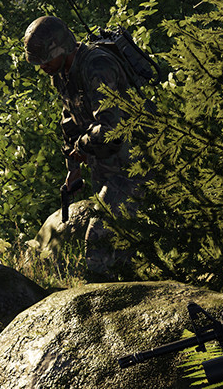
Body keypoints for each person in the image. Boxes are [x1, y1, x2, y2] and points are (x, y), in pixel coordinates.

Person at [23, 15, 140, 278]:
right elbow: (70, 121)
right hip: (106, 167)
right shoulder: (62, 73)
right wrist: (72, 167)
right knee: (122, 251)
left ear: (62, 49)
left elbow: (113, 128)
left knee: (98, 244)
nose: (42, 67)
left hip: (133, 165)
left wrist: (82, 146)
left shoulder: (97, 65)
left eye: (45, 60)